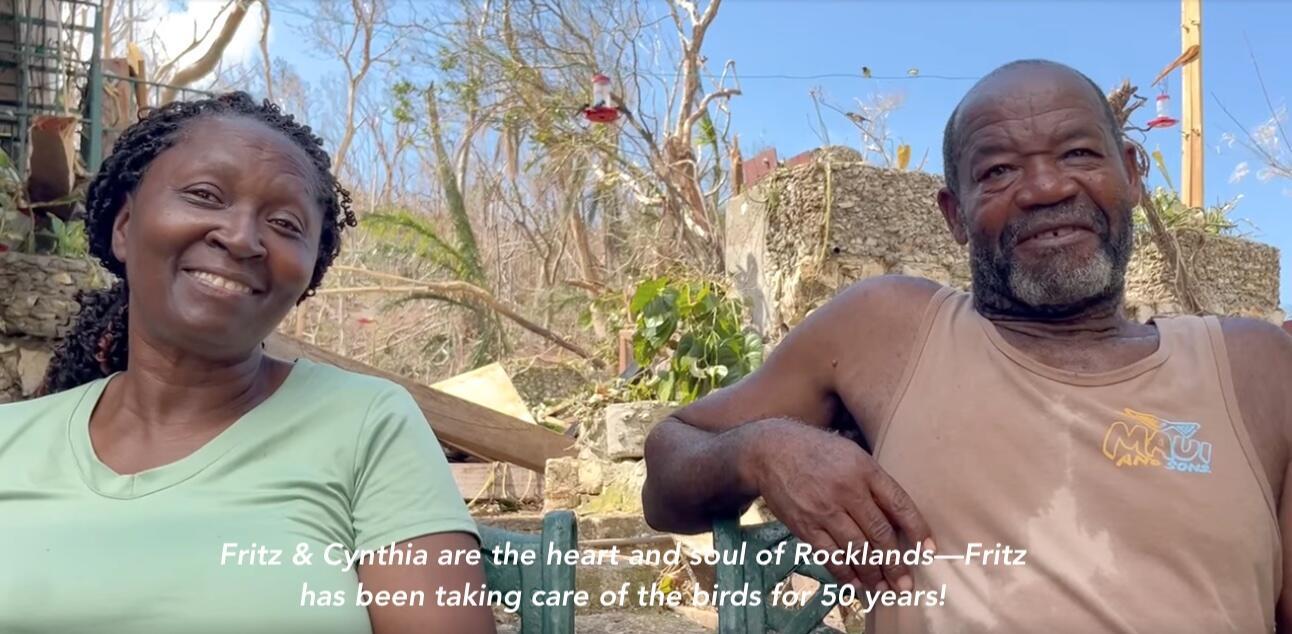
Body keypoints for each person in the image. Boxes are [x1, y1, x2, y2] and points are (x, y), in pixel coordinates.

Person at [642, 59, 1292, 632]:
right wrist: (761, 450)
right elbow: (669, 470)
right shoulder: (883, 331)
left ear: (1131, 174)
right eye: (1001, 169)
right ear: (953, 214)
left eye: (1079, 155)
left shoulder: (1257, 370)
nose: (1046, 189)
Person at [0, 93, 495, 634]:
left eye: (285, 224)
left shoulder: (369, 425)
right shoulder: (11, 441)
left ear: (309, 273)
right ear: (124, 226)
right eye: (205, 195)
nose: (241, 237)